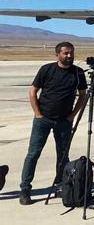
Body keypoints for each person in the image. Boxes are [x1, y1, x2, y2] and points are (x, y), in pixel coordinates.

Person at [19, 41, 87, 205]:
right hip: (44, 119)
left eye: (71, 53)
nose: (69, 56)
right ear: (57, 54)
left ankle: (61, 185)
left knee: (63, 156)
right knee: (33, 153)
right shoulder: (46, 69)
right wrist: (37, 113)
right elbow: (33, 91)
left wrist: (72, 115)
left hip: (64, 121)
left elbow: (83, 95)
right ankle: (25, 189)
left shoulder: (78, 73)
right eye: (66, 53)